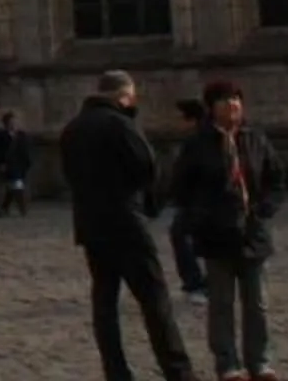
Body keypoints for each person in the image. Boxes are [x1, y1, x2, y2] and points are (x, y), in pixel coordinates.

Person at [59, 70, 199, 381]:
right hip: (125, 220)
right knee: (154, 298)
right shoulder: (119, 124)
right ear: (126, 95)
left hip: (90, 223)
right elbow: (146, 166)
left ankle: (116, 372)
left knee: (105, 300)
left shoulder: (72, 128)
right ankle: (178, 371)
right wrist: (148, 203)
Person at [169, 79, 284, 381]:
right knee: (221, 304)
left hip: (252, 232)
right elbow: (181, 187)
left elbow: (276, 179)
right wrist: (201, 218)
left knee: (257, 304)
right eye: (224, 101)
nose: (232, 105)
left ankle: (259, 362)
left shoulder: (255, 139)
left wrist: (264, 210)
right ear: (211, 108)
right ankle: (228, 364)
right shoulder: (197, 144)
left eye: (236, 100)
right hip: (216, 235)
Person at [165, 98, 209, 300]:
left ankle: (195, 283)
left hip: (197, 201)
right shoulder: (205, 136)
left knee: (181, 235)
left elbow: (182, 174)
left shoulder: (196, 141)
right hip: (200, 199)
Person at [0, 110, 35, 215]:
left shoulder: (22, 135)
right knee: (17, 186)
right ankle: (22, 208)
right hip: (9, 165)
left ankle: (5, 206)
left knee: (12, 187)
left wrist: (28, 162)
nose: (13, 124)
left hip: (20, 164)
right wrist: (1, 163)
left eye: (14, 122)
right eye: (11, 122)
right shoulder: (2, 136)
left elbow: (26, 149)